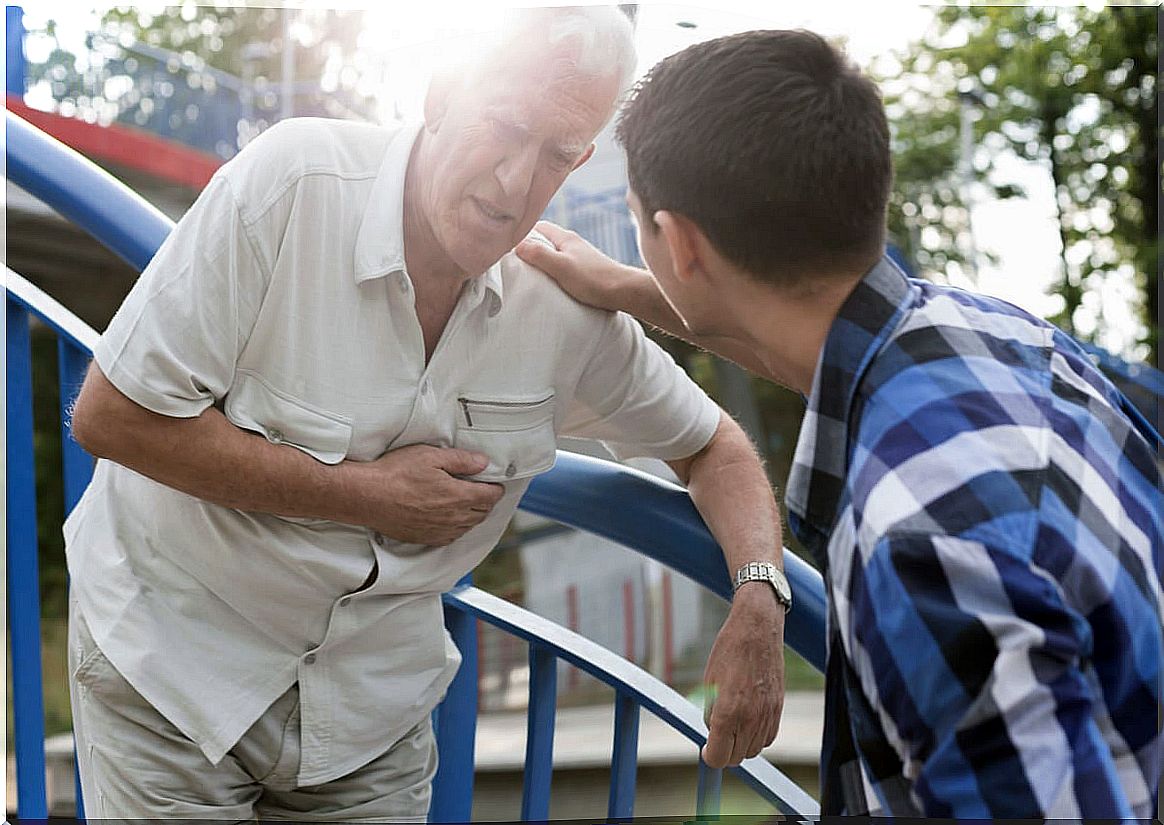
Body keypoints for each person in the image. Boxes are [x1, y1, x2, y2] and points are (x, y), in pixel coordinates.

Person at [64, 8, 789, 821]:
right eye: (506, 128)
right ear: (442, 93)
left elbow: (714, 447)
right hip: (172, 665)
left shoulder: (563, 306)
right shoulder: (293, 182)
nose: (516, 181)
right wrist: (364, 494)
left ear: (582, 159)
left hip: (370, 717)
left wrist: (760, 594)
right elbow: (112, 416)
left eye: (555, 154)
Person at [517, 28, 1163, 818]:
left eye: (641, 227)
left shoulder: (921, 544)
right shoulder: (1007, 334)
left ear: (680, 242)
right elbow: (790, 330)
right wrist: (625, 284)